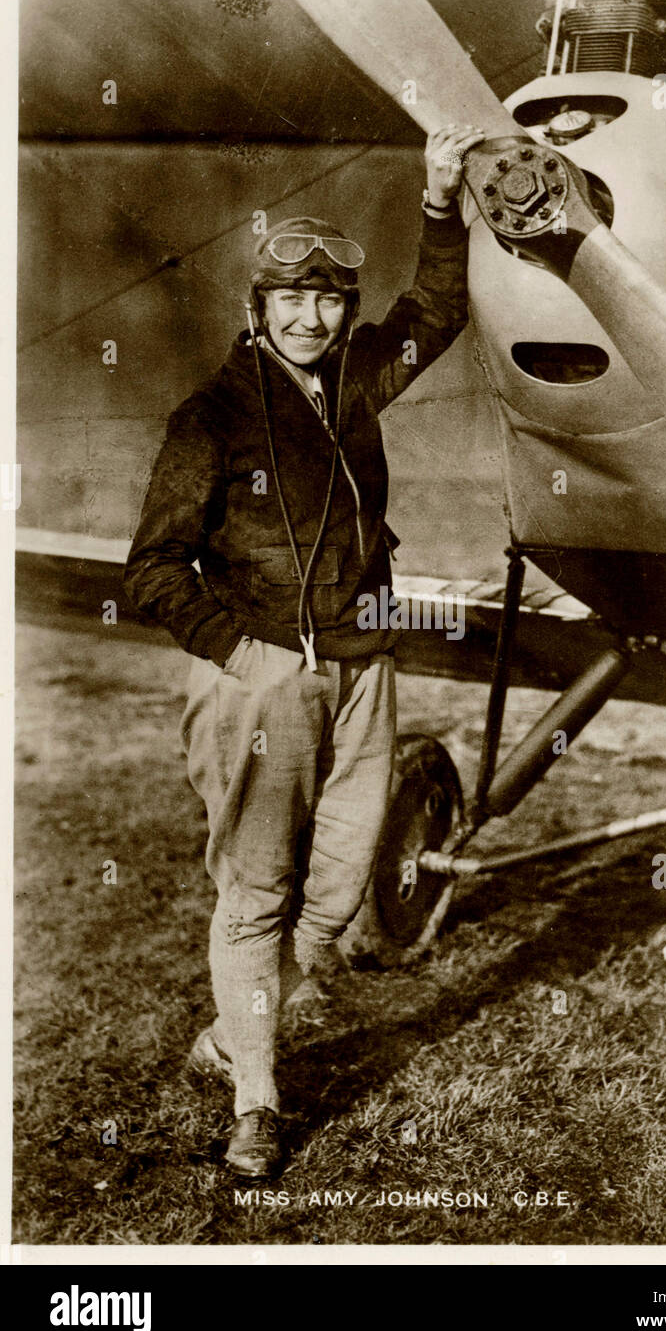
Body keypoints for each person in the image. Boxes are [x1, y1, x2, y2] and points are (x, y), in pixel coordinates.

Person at [124, 123, 484, 1178]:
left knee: (336, 888)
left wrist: (435, 198)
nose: (311, 314)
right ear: (257, 306)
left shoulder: (357, 385)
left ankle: (238, 1027)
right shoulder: (211, 418)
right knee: (258, 889)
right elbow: (148, 570)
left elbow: (436, 312)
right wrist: (240, 654)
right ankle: (256, 1102)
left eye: (328, 296)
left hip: (364, 666)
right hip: (261, 677)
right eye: (291, 296)